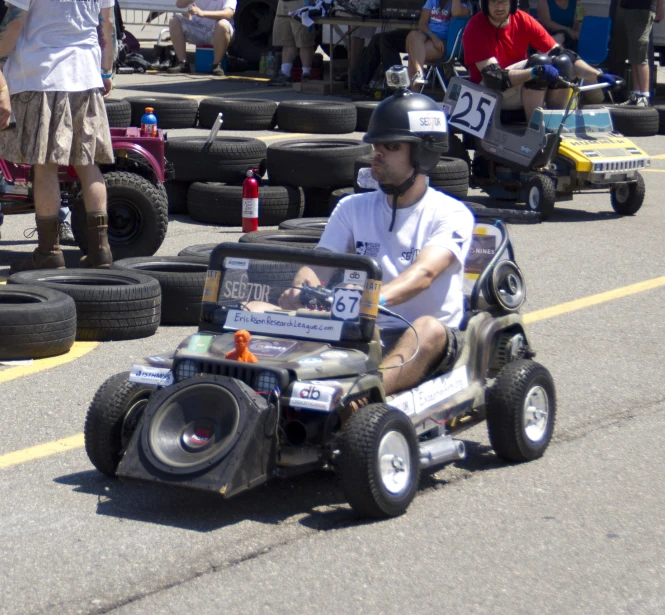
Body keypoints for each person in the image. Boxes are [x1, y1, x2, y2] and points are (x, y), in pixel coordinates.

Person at [277, 83, 474, 397]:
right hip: (365, 330)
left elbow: (424, 275)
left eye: (392, 147)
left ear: (423, 154)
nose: (378, 154)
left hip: (424, 337)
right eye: (376, 145)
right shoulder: (352, 207)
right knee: (256, 309)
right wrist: (301, 290)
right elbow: (319, 266)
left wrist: (371, 300)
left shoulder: (450, 213)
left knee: (428, 328)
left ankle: (362, 398)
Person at [0, 0, 116, 272]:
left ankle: (49, 252)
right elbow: (106, 25)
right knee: (88, 164)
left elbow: (14, 23)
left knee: (45, 165)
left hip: (43, 75)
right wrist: (106, 70)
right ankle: (101, 250)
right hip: (86, 75)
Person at [462, 0, 622, 121]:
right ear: (484, 5)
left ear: (512, 3)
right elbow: (494, 78)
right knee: (540, 62)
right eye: (493, 2)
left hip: (517, 88)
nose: (499, 7)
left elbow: (564, 55)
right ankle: (536, 129)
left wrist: (599, 77)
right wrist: (534, 72)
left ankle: (556, 125)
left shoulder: (522, 19)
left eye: (503, 1)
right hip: (488, 94)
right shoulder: (475, 27)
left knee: (563, 62)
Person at [406, 0, 471, 90]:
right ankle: (419, 73)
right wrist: (433, 37)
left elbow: (456, 13)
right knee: (413, 35)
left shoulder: (464, 6)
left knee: (413, 52)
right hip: (429, 36)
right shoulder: (432, 1)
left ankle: (413, 94)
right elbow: (422, 24)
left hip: (444, 43)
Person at [167, 0, 236, 76]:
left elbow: (228, 13)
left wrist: (202, 13)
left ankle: (216, 64)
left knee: (222, 24)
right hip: (198, 29)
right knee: (174, 20)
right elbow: (179, 4)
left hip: (217, 31)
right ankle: (183, 63)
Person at [619, 0, 664, 106]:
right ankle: (636, 94)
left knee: (640, 49)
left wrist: (660, 7)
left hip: (645, 9)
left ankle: (644, 96)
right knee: (633, 51)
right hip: (629, 7)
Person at [350, 29, 411, 97]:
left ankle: (395, 86)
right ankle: (356, 85)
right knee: (377, 38)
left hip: (420, 38)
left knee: (386, 39)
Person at [269, 0, 316, 86]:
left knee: (304, 40)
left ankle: (306, 74)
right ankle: (285, 74)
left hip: (301, 3)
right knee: (287, 40)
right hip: (283, 3)